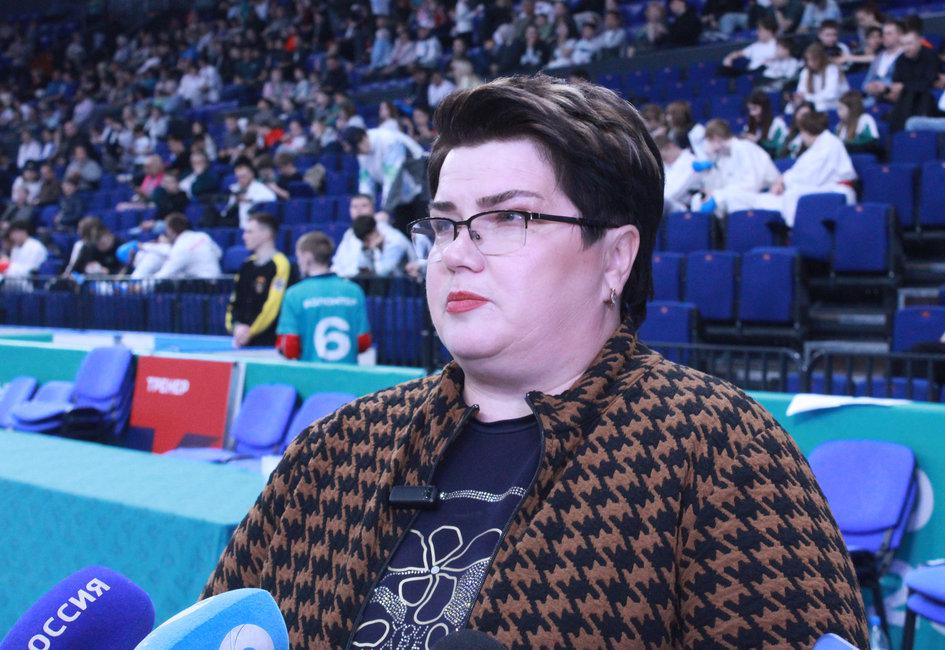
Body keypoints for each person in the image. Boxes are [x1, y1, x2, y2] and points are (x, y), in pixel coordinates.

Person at [203, 74, 868, 648]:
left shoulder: (720, 452)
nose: (455, 253)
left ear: (615, 258)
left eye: (508, 219)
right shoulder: (335, 448)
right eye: (444, 224)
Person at [275, 231, 371, 364]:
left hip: (311, 373)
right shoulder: (354, 291)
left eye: (299, 256)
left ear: (307, 257)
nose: (298, 262)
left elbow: (289, 348)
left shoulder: (294, 294)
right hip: (348, 373)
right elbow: (363, 342)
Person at [754, 110, 857, 225]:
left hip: (836, 190)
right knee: (766, 200)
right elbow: (800, 171)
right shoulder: (818, 146)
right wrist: (782, 180)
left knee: (791, 195)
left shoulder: (829, 144)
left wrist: (784, 181)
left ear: (806, 131)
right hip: (824, 187)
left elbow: (811, 177)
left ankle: (791, 230)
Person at [226, 212, 296, 348]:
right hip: (243, 341)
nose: (244, 236)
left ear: (267, 234)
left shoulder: (281, 264)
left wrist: (251, 331)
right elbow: (234, 301)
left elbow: (273, 305)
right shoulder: (246, 265)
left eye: (249, 232)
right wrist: (235, 327)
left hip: (269, 343)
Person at [695, 118, 782, 217]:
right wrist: (709, 161)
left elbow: (751, 184)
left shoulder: (744, 147)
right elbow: (717, 186)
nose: (708, 145)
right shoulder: (721, 157)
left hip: (765, 194)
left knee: (729, 200)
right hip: (741, 196)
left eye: (709, 141)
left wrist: (719, 194)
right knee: (698, 200)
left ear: (716, 138)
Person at [345, 126, 424, 215]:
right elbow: (366, 181)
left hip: (420, 188)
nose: (359, 154)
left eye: (358, 149)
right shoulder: (361, 153)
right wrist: (365, 206)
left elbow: (393, 177)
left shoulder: (388, 140)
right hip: (401, 197)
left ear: (364, 138)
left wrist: (386, 210)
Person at [888, 26, 941, 132]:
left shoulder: (930, 56)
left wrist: (905, 86)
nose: (906, 48)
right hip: (905, 97)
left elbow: (929, 81)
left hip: (925, 97)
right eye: (903, 44)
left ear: (919, 41)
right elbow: (896, 81)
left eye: (909, 44)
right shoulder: (900, 60)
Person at [152, 213, 222, 280]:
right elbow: (219, 254)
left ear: (171, 230)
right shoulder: (203, 236)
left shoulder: (180, 247)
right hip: (219, 281)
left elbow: (164, 275)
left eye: (166, 229)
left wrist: (145, 283)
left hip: (202, 285)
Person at [351, 214, 416, 277]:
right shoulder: (373, 233)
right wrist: (366, 251)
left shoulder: (395, 241)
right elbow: (362, 269)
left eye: (367, 239)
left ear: (374, 230)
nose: (366, 244)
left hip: (410, 280)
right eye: (363, 241)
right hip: (394, 280)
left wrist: (375, 249)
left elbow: (382, 273)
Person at [794, 42, 849, 112]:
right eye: (808, 60)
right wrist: (798, 98)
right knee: (791, 107)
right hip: (814, 101)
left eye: (813, 60)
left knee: (821, 105)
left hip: (837, 102)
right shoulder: (805, 72)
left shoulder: (832, 69)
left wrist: (808, 97)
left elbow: (831, 94)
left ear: (821, 59)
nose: (810, 63)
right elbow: (801, 92)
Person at [225, 158, 277, 228]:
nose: (241, 179)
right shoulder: (235, 189)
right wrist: (235, 202)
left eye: (243, 176)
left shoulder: (260, 187)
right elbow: (228, 210)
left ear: (251, 174)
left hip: (258, 226)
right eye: (238, 177)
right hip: (240, 225)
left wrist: (249, 200)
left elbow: (272, 198)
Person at [862, 20, 903, 105]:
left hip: (894, 100)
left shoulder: (905, 56)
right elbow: (866, 82)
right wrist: (869, 87)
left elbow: (905, 83)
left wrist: (884, 86)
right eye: (883, 34)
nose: (884, 37)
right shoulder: (879, 57)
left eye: (889, 34)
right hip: (872, 99)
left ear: (899, 35)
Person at [655, 132, 697, 213]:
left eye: (664, 157)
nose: (664, 161)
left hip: (686, 209)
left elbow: (675, 193)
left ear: (670, 146)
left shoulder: (691, 162)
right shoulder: (667, 166)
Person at [744, 89, 789, 155]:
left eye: (754, 108)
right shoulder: (748, 126)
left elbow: (779, 149)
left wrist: (758, 142)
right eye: (749, 109)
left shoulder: (777, 124)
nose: (751, 113)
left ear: (764, 108)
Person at [836, 89, 881, 154]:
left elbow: (872, 143)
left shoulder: (865, 119)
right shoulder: (840, 126)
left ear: (852, 108)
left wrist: (848, 147)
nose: (838, 112)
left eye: (841, 108)